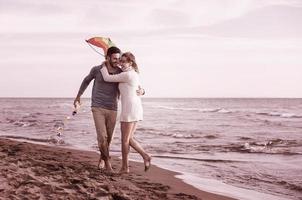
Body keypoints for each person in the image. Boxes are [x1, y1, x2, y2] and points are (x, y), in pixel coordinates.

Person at [74, 47, 126, 172]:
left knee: (109, 137)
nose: (117, 61)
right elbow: (86, 81)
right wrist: (78, 96)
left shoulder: (120, 71)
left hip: (113, 107)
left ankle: (102, 158)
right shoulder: (97, 69)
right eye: (114, 58)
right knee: (102, 137)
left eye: (118, 58)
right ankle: (108, 164)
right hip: (97, 106)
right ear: (107, 57)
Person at [100, 52, 151, 174]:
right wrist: (143, 91)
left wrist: (103, 66)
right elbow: (139, 88)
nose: (121, 63)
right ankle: (145, 156)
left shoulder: (127, 75)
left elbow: (107, 78)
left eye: (123, 61)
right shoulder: (133, 73)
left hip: (130, 108)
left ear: (130, 62)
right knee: (129, 138)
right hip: (136, 107)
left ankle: (125, 167)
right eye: (120, 61)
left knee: (125, 140)